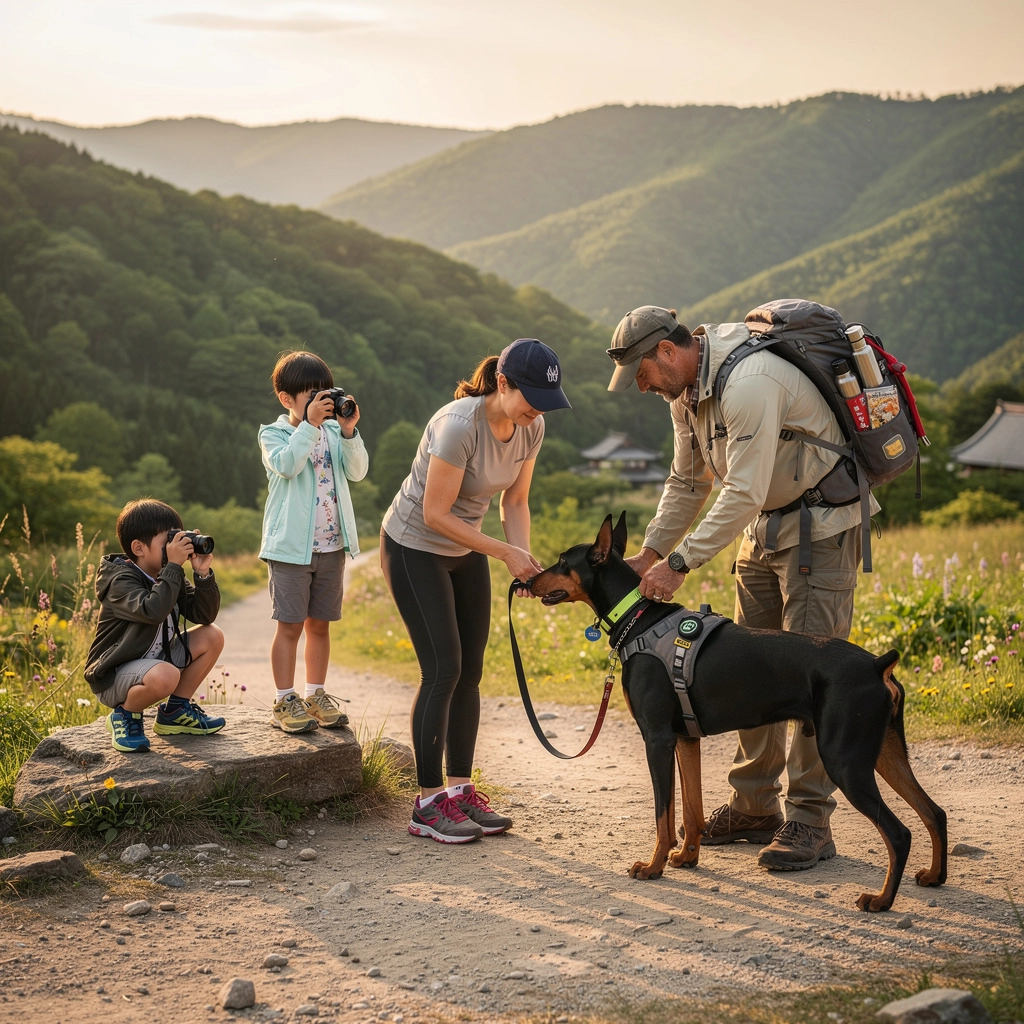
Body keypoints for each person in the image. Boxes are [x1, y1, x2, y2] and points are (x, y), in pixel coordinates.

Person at [606, 306, 877, 871]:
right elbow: (687, 480)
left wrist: (679, 563)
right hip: (760, 532)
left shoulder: (749, 382)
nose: (642, 385)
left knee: (810, 673)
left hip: (818, 528)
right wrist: (650, 553)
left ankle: (809, 820)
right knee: (751, 670)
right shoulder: (684, 395)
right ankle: (755, 807)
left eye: (642, 371)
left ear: (666, 352)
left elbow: (744, 490)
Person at [380, 338, 571, 844]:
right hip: (414, 547)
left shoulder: (532, 426)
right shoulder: (459, 426)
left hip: (467, 547)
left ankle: (460, 792)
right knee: (442, 667)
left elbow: (517, 501)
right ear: (502, 384)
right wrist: (502, 553)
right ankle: (426, 805)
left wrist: (522, 562)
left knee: (472, 671)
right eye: (530, 398)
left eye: (545, 403)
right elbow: (435, 514)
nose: (536, 412)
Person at [259, 350, 369, 734]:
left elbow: (357, 473)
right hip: (290, 549)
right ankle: (284, 698)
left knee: (319, 626)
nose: (322, 402)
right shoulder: (274, 434)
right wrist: (308, 426)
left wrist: (350, 430)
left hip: (331, 547)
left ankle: (315, 694)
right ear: (287, 399)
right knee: (289, 626)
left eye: (326, 392)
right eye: (312, 395)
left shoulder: (336, 433)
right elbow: (287, 465)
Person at [85, 499, 226, 753]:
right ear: (138, 548)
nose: (175, 549)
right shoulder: (120, 582)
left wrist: (202, 573)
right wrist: (172, 567)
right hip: (115, 676)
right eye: (168, 544)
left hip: (155, 664)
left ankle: (175, 711)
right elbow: (152, 611)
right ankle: (125, 715)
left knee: (212, 636)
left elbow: (204, 615)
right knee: (166, 674)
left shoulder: (170, 574)